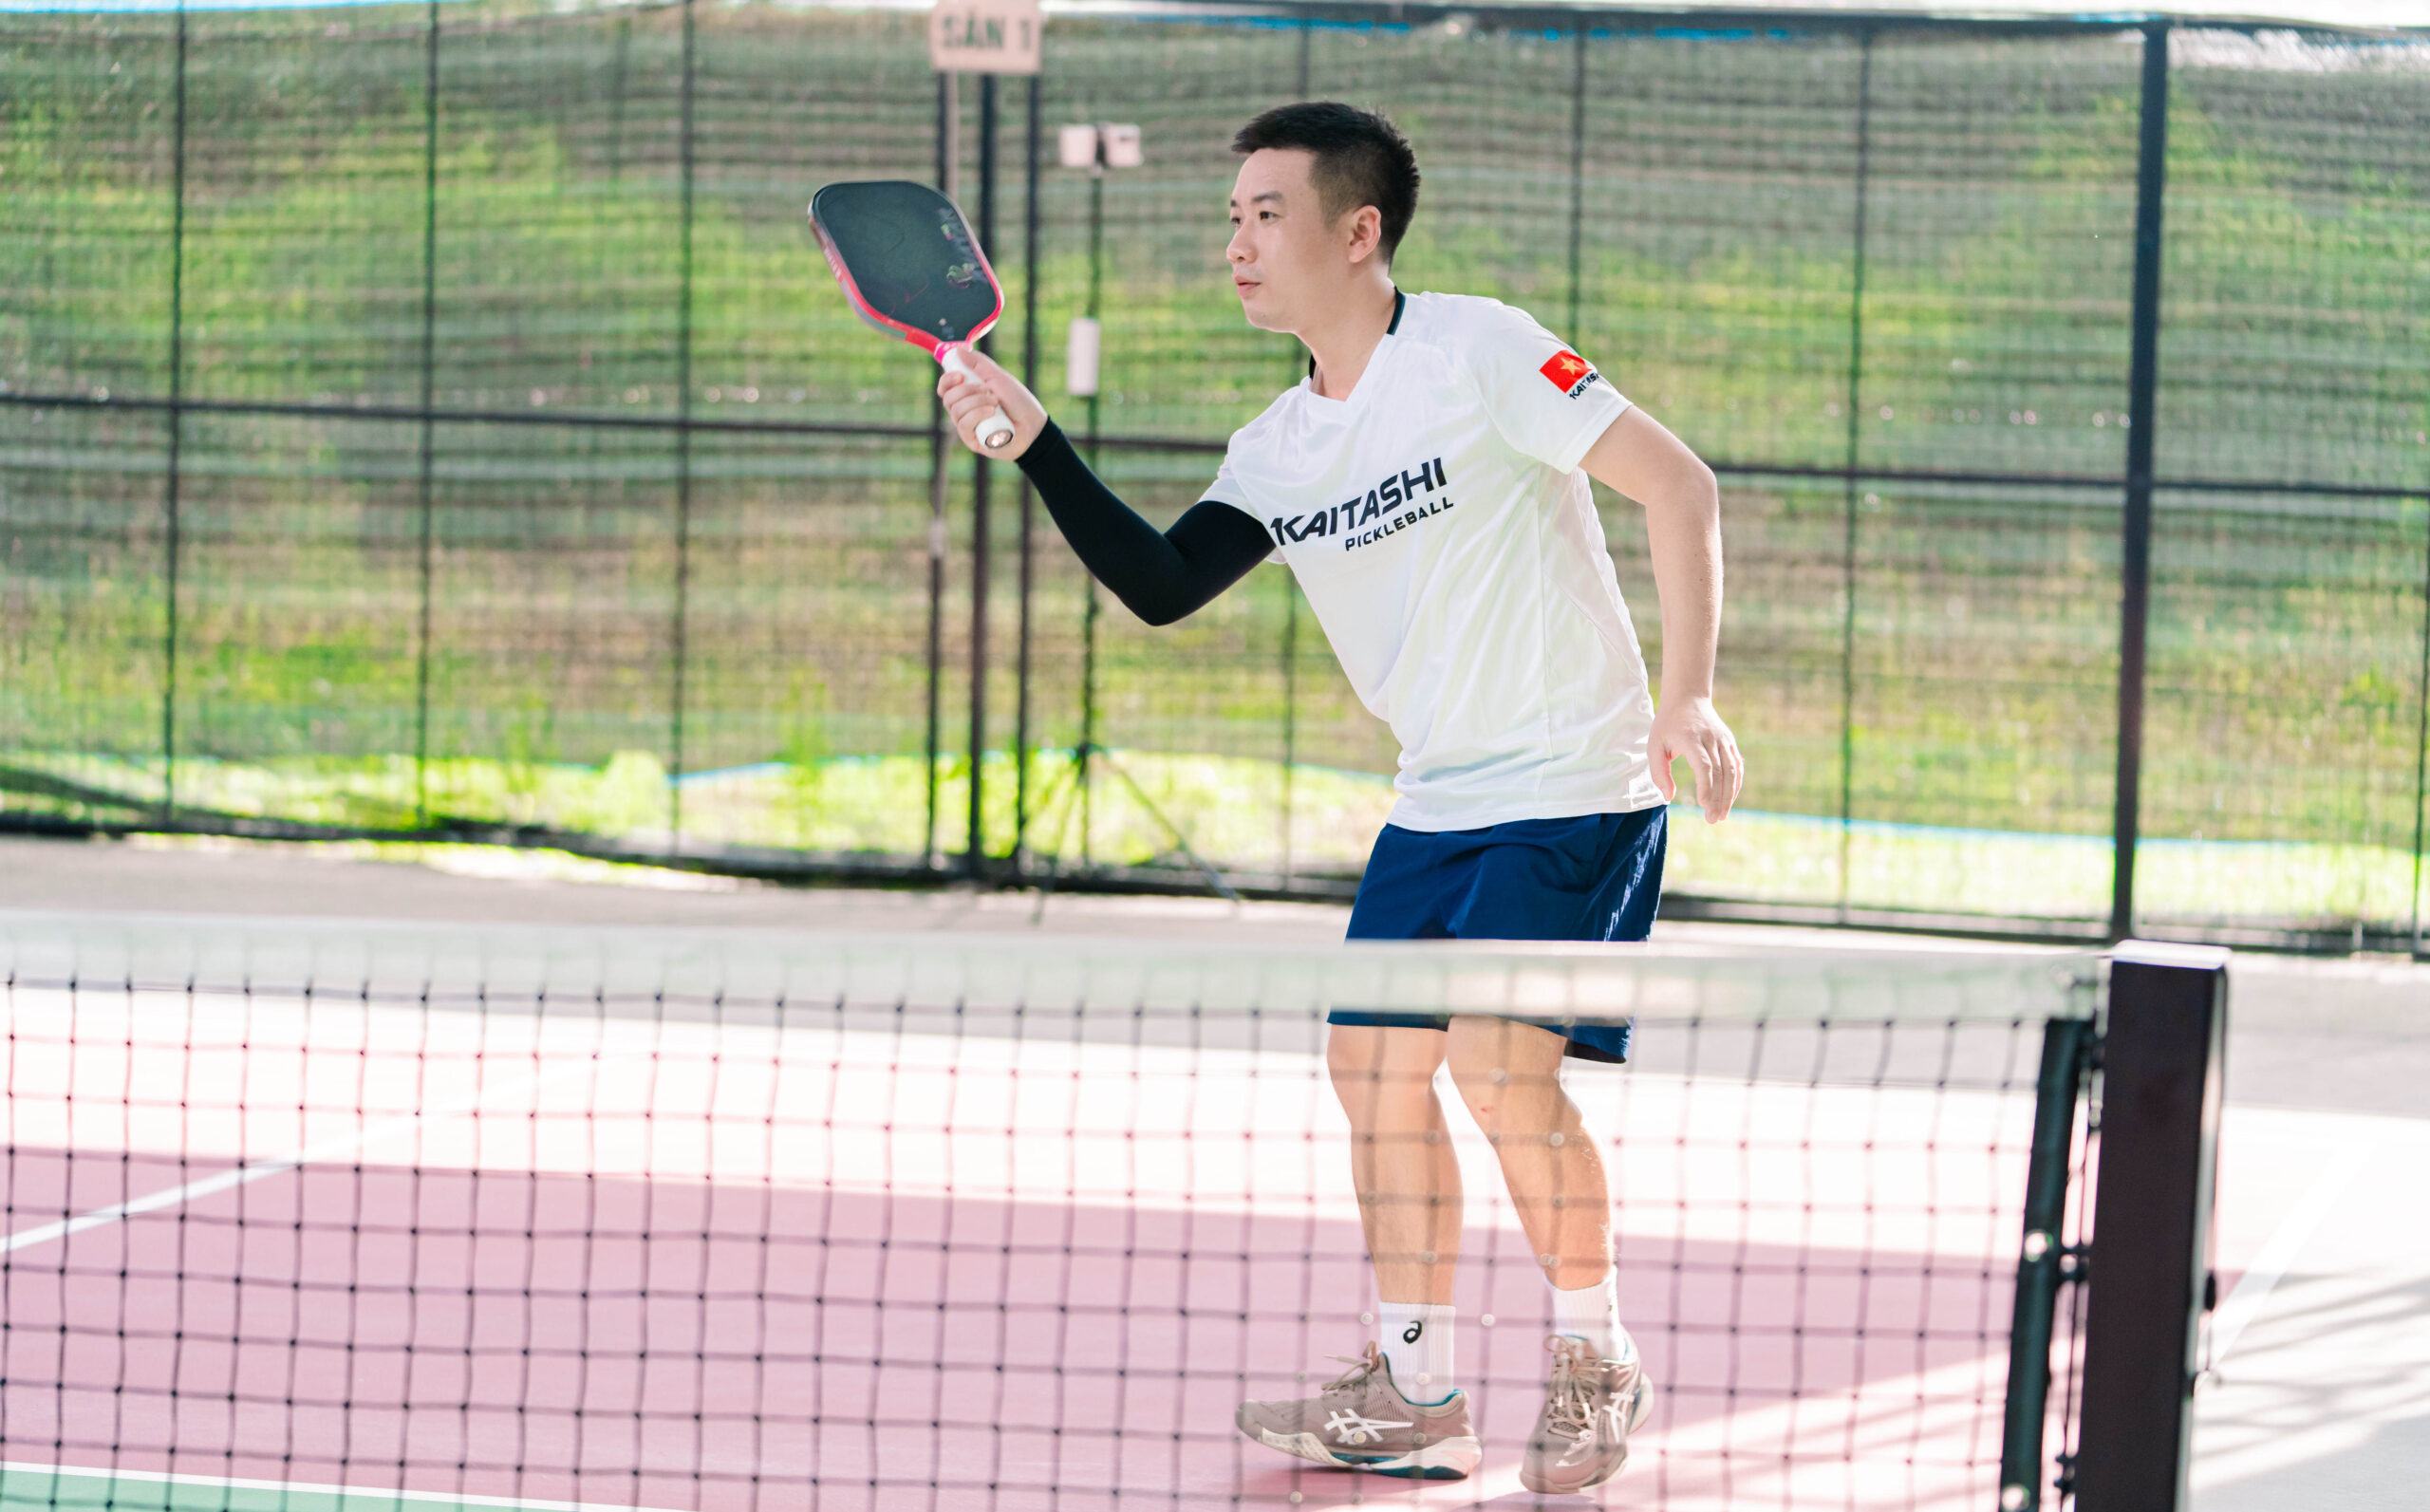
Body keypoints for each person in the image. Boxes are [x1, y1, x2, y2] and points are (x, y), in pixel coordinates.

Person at [936, 101, 1743, 1496]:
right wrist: (1041, 445)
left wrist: (1690, 698)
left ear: (1358, 231)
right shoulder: (1279, 446)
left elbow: (1680, 485)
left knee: (1500, 1068)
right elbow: (1163, 584)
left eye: (1267, 214)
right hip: (1434, 802)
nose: (1237, 243)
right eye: (1233, 217)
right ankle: (1418, 1393)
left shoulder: (1482, 349)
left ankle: (1595, 1355)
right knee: (1371, 1069)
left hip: (1572, 778)